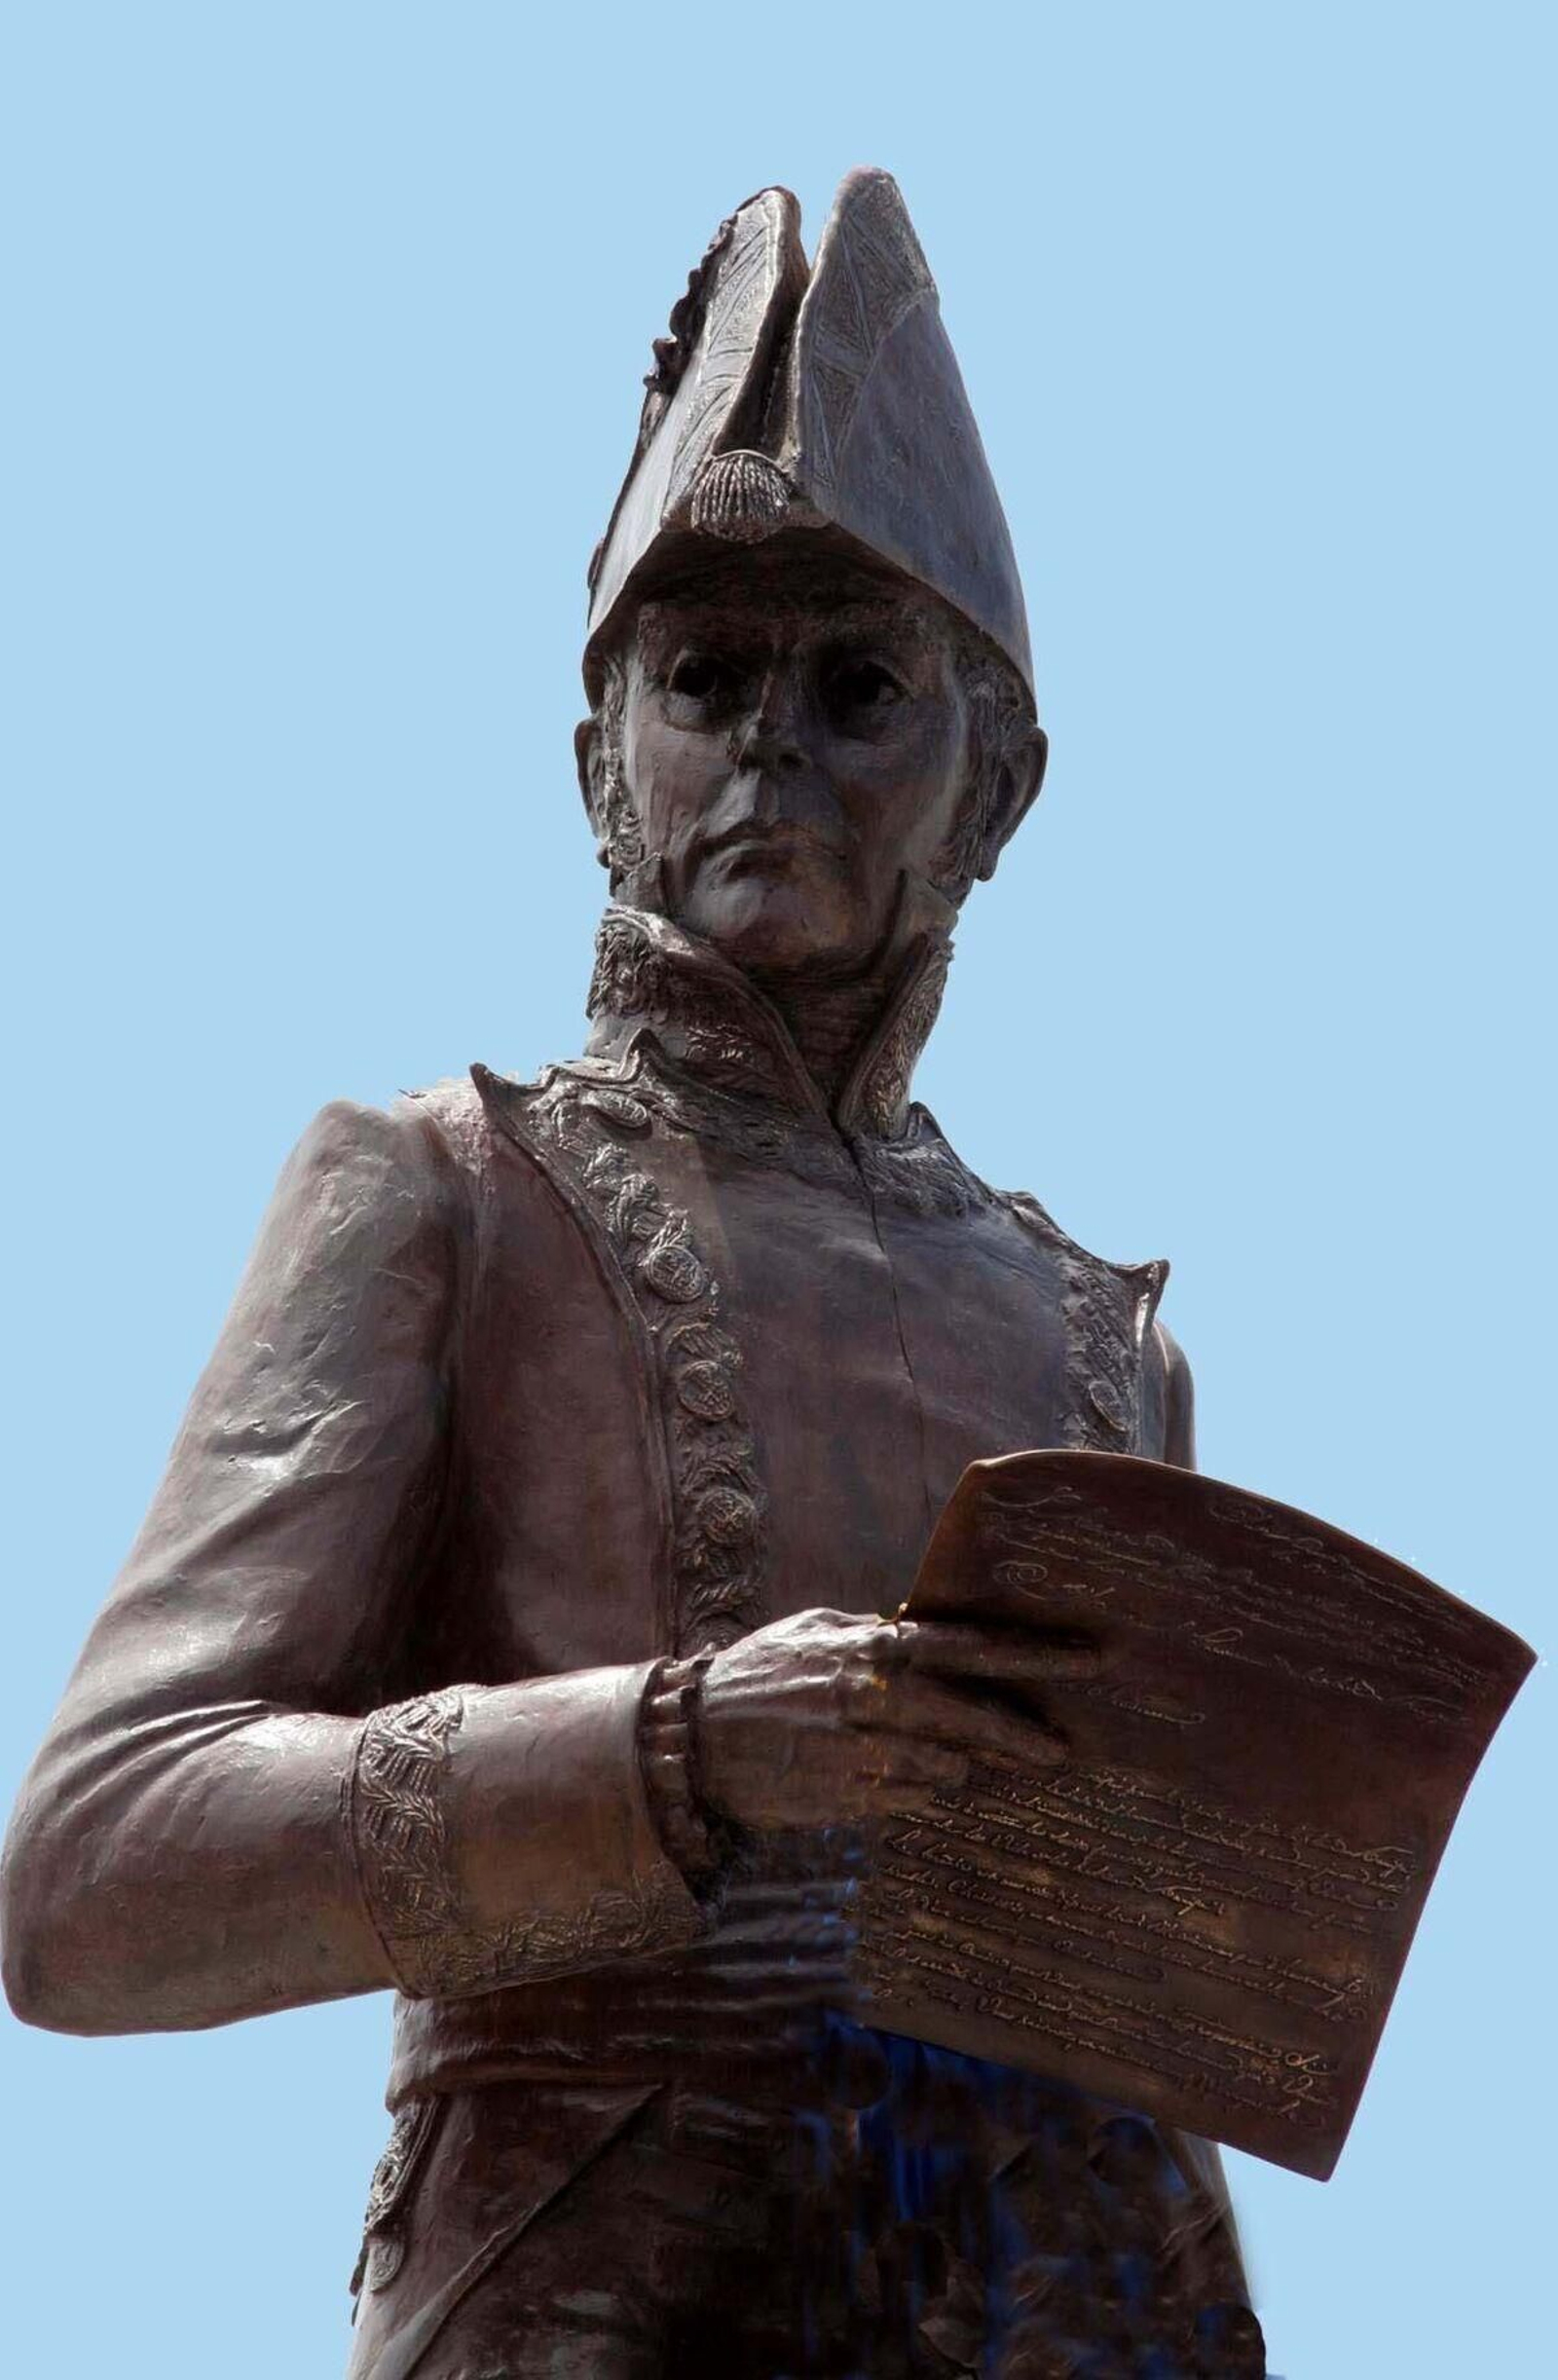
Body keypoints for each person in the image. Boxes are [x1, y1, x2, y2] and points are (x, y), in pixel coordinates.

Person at [2, 171, 1264, 2377]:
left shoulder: (1105, 1348)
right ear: (603, 770)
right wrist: (680, 1749)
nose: (768, 743)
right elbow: (95, 1863)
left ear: (999, 788)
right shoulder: (439, 1188)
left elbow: (1140, 2039)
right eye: (702, 679)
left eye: (857, 684)